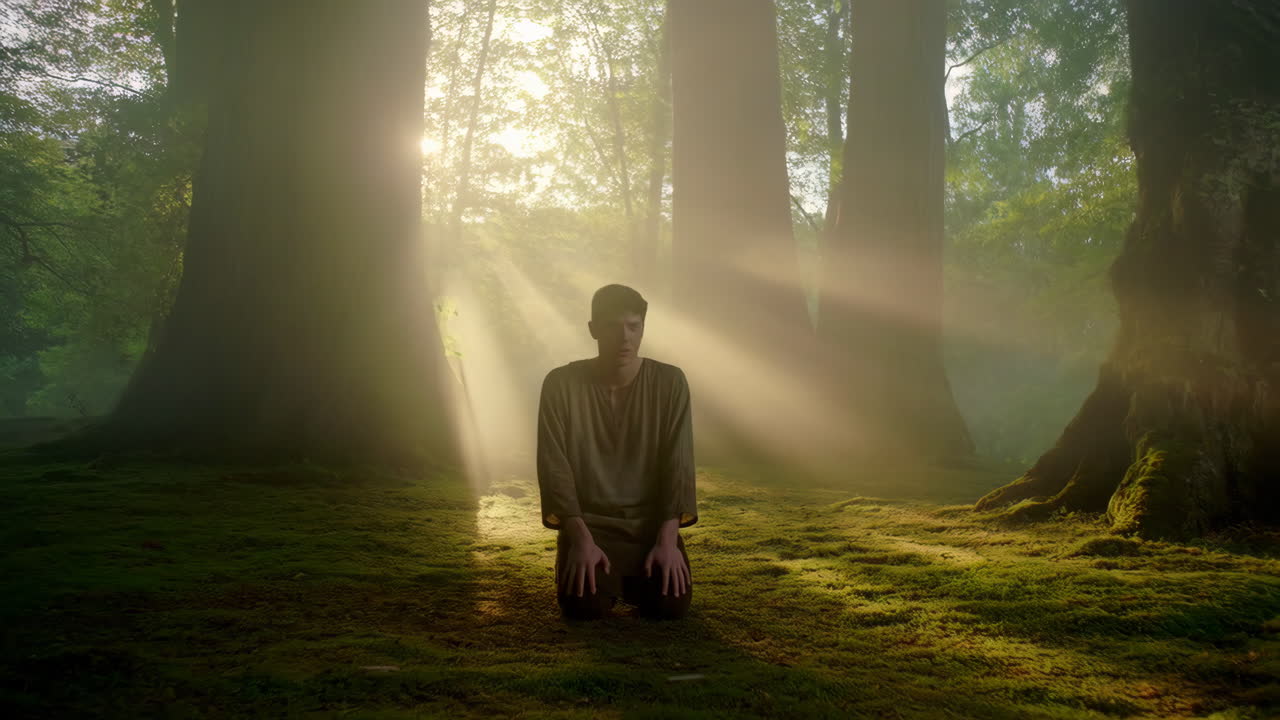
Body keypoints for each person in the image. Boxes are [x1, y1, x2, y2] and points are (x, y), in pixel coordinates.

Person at [536, 284, 698, 620]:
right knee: (584, 608)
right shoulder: (560, 384)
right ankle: (587, 564)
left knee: (671, 606)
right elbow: (555, 467)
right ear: (593, 329)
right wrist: (578, 538)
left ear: (642, 328)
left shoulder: (670, 383)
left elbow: (678, 464)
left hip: (651, 527)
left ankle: (635, 578)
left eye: (633, 326)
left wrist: (667, 541)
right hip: (589, 526)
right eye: (611, 326)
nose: (623, 338)